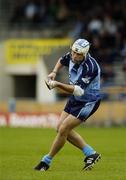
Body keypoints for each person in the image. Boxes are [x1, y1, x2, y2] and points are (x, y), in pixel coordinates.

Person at [34, 38, 101, 171]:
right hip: (75, 99)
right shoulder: (71, 55)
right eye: (74, 52)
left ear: (85, 54)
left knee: (64, 128)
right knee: (60, 128)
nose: (75, 56)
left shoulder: (90, 67)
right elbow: (61, 60)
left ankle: (46, 161)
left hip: (88, 101)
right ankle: (91, 153)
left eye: (79, 54)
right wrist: (54, 72)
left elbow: (78, 90)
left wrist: (57, 84)